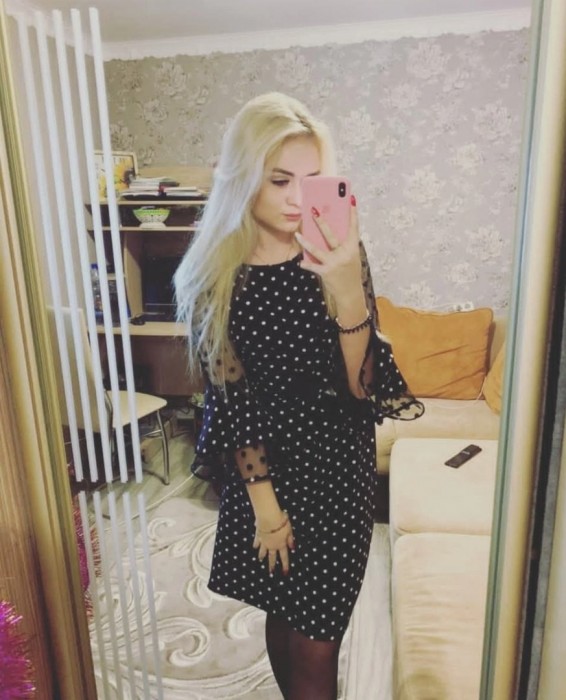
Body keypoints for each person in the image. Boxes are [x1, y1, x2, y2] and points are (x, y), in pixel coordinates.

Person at [174, 92, 422, 700]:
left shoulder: (338, 254)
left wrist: (348, 289)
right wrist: (266, 510)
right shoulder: (216, 275)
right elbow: (232, 402)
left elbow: (363, 388)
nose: (295, 198)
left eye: (310, 181)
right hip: (265, 469)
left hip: (339, 469)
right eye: (279, 179)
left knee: (319, 640)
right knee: (281, 607)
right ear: (244, 178)